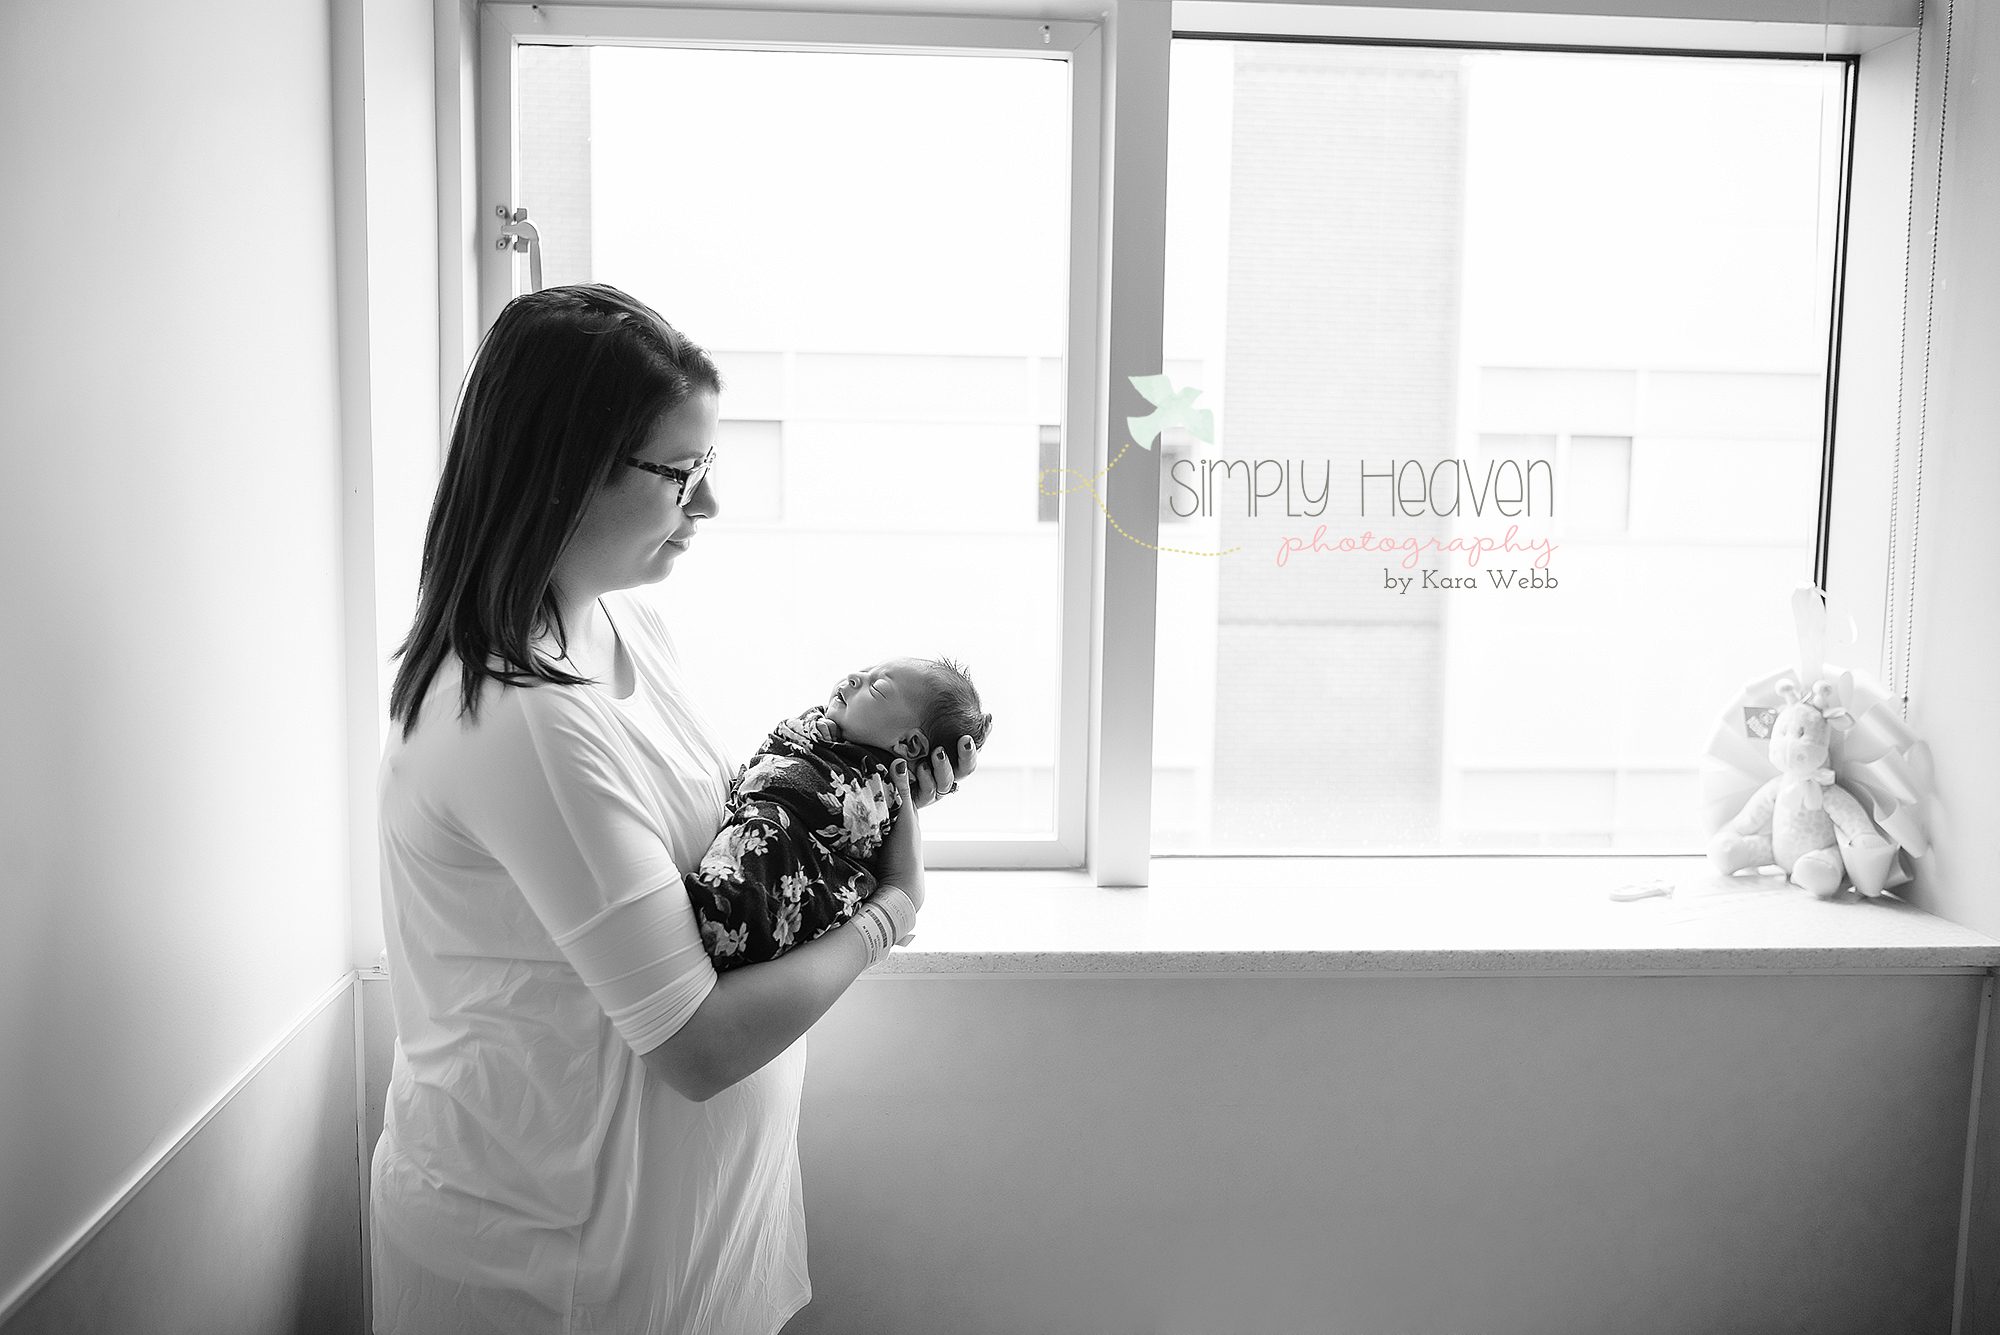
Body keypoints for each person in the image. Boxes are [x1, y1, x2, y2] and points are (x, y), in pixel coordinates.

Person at [368, 283, 979, 1335]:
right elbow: (695, 1046)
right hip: (557, 1268)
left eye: (709, 470)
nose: (706, 506)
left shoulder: (623, 629)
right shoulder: (522, 719)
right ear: (562, 473)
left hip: (680, 1235)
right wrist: (890, 913)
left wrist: (874, 790)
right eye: (679, 472)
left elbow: (734, 845)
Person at [690, 658, 993, 971]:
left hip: (763, 891)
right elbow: (774, 756)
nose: (852, 678)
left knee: (756, 879)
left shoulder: (876, 788)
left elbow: (844, 819)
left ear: (908, 743)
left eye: (876, 687)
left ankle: (733, 909)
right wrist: (809, 734)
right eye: (863, 671)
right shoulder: (827, 742)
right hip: (738, 862)